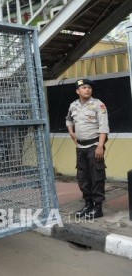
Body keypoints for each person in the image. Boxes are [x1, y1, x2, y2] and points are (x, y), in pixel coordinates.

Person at [66, 79, 109, 219]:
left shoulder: (98, 105)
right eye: (84, 87)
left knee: (97, 176)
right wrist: (71, 132)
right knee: (83, 177)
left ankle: (98, 207)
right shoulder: (73, 106)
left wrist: (100, 146)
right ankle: (88, 204)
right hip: (80, 147)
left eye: (89, 87)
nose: (87, 89)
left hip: (94, 146)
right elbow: (68, 120)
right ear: (78, 91)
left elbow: (104, 127)